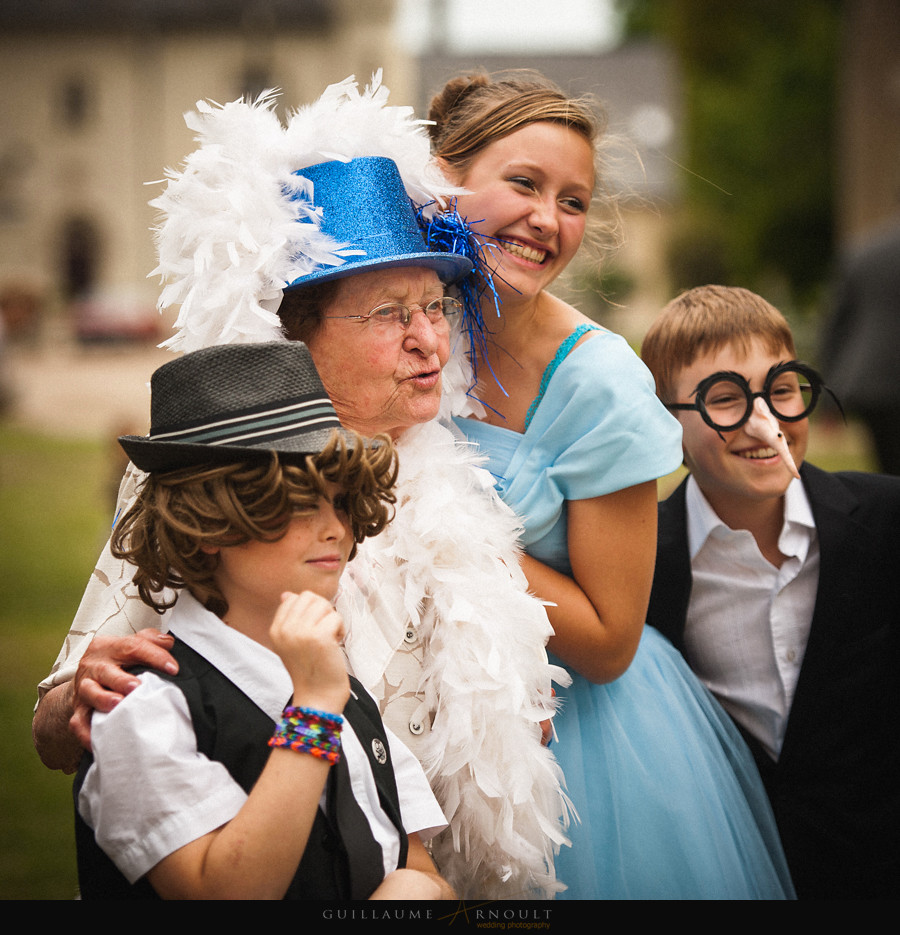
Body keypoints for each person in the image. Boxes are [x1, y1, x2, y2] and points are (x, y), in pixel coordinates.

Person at [33, 76, 569, 899]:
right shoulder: (212, 477)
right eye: (389, 314)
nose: (429, 340)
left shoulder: (457, 475)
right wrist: (81, 693)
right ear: (295, 334)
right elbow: (56, 731)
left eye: (435, 307)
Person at [432, 71, 795, 899]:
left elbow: (607, 638)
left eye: (573, 201)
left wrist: (439, 529)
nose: (547, 219)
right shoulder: (396, 328)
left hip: (575, 748)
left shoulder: (600, 383)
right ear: (442, 178)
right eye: (524, 183)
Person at [73, 340, 453, 900]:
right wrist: (313, 711)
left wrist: (416, 891)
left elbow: (418, 867)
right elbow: (222, 893)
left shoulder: (346, 695)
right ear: (207, 523)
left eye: (341, 501)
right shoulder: (145, 706)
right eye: (299, 503)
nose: (335, 528)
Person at [642, 284, 900, 899]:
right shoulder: (647, 561)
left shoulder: (886, 522)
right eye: (724, 398)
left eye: (782, 390)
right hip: (737, 867)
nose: (765, 422)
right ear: (664, 423)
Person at [820, 214, 900, 474]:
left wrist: (829, 398)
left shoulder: (864, 252)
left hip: (873, 383)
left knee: (890, 470)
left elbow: (835, 328)